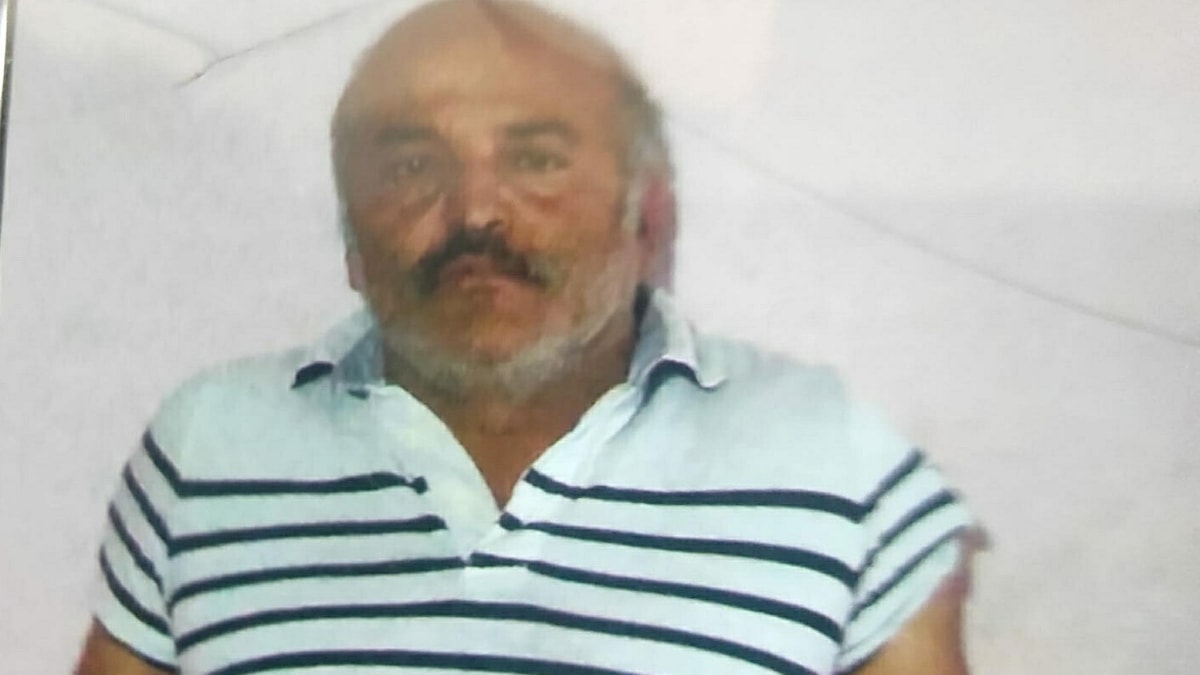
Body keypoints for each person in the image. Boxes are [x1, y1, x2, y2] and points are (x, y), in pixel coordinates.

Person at [75, 1, 977, 673]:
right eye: (412, 164)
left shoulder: (833, 457)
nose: (475, 211)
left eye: (536, 159)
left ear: (648, 219)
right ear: (351, 238)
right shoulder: (207, 445)